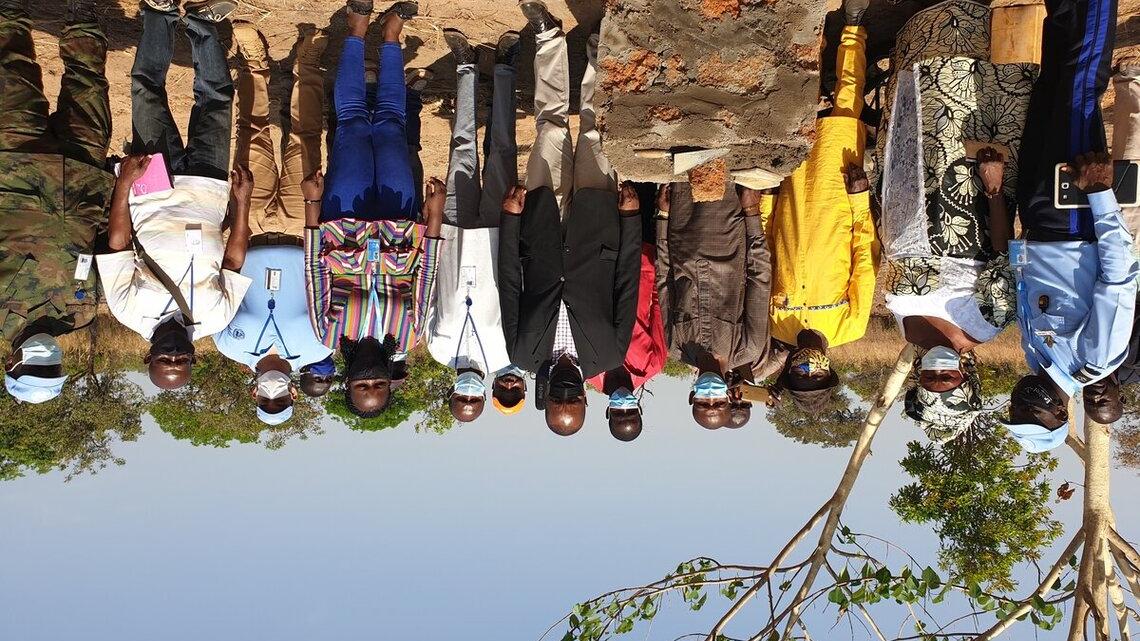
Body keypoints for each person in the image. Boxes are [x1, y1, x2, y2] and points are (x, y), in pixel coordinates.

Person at [876, 0, 1036, 438]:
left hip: (905, 189)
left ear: (917, 379)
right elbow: (1001, 253)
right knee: (960, 98)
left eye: (930, 379)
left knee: (916, 104)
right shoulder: (984, 324)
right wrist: (993, 188)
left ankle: (925, 25)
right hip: (964, 192)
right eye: (947, 378)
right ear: (967, 377)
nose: (938, 372)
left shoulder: (907, 329)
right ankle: (969, 18)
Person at [499, 0, 642, 436]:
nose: (565, 393)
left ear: (545, 398)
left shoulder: (522, 353)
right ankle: (599, 50)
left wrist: (511, 220)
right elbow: (626, 283)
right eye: (572, 400)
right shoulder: (610, 354)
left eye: (556, 400)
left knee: (550, 127)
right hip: (600, 225)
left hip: (539, 223)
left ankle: (548, 37)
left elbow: (509, 282)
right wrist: (631, 220)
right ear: (585, 399)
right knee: (596, 131)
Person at [1001, 0, 1138, 451]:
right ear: (1061, 415)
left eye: (1013, 413)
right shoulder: (1096, 360)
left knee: (1050, 85)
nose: (1020, 405)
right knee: (1079, 87)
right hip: (1074, 218)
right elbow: (1119, 279)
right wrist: (1099, 192)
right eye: (1030, 415)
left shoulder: (1035, 356)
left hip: (1036, 221)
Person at [98, 2, 253, 391]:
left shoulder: (127, 311)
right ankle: (201, 24)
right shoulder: (216, 319)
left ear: (148, 357)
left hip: (152, 187)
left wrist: (124, 184)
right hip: (209, 188)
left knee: (146, 92)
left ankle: (159, 13)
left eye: (165, 360)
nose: (173, 354)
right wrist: (242, 204)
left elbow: (117, 245)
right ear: (193, 357)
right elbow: (233, 261)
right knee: (217, 99)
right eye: (180, 361)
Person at [303, 0, 445, 418]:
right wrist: (434, 216)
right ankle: (391, 36)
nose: (370, 378)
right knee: (390, 127)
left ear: (347, 381)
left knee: (351, 123)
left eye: (361, 385)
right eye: (378, 384)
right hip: (400, 224)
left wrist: (312, 203)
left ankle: (357, 30)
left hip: (343, 219)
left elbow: (314, 271)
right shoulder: (411, 335)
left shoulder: (328, 334)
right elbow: (426, 275)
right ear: (388, 380)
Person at [0, 0, 109, 403]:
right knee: (89, 80)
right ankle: (83, 14)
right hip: (84, 176)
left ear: (11, 363)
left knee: (11, 67)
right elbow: (104, 248)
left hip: (15, 166)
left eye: (35, 367)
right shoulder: (82, 314)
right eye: (53, 368)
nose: (47, 359)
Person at [760, 0, 877, 353]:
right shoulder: (850, 327)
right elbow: (865, 258)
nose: (808, 368)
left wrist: (768, 199)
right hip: (837, 197)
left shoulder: (775, 325)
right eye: (816, 375)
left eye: (800, 374)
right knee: (846, 106)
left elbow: (766, 253)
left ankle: (812, 27)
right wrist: (859, 200)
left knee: (799, 108)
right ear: (828, 372)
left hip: (792, 196)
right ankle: (853, 26)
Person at [428, 28, 523, 424]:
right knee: (502, 150)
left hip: (453, 233)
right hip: (498, 234)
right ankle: (504, 67)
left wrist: (433, 222)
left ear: (451, 392)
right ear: (484, 393)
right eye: (474, 398)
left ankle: (466, 67)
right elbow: (517, 289)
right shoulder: (506, 353)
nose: (468, 391)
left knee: (461, 148)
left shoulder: (437, 348)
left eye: (461, 397)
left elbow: (428, 290)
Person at [656, 180, 770, 429]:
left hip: (682, 230)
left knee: (687, 164)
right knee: (722, 167)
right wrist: (751, 212)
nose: (710, 397)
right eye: (717, 402)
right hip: (727, 230)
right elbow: (759, 279)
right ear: (728, 397)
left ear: (692, 397)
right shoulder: (748, 348)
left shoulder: (675, 346)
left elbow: (664, 281)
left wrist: (663, 218)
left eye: (703, 402)